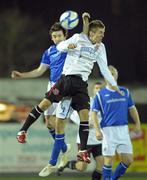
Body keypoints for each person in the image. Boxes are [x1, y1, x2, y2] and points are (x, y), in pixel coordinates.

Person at [17, 14, 120, 172]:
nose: (102, 35)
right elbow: (60, 47)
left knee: (84, 115)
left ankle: (82, 151)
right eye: (100, 32)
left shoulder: (101, 47)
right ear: (91, 33)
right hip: (65, 81)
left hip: (81, 85)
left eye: (103, 32)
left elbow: (104, 69)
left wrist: (114, 86)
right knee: (44, 106)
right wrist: (67, 46)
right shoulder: (78, 38)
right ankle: (23, 130)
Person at [11, 22, 68, 140]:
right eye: (55, 36)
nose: (57, 38)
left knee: (58, 122)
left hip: (64, 87)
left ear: (65, 36)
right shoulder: (49, 52)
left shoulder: (70, 48)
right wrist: (21, 75)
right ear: (52, 38)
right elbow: (39, 71)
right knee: (48, 123)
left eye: (60, 36)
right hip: (52, 85)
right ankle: (63, 147)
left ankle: (62, 148)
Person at [91, 65, 141, 180]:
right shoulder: (100, 94)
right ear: (105, 77)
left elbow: (132, 109)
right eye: (108, 74)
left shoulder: (125, 92)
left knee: (128, 160)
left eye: (113, 74)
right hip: (108, 131)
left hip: (123, 130)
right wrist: (98, 130)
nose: (111, 76)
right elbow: (93, 113)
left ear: (116, 76)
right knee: (108, 160)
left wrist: (137, 124)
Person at [57, 82, 104, 180]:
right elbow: (73, 115)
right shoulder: (88, 101)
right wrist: (85, 123)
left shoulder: (104, 104)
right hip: (84, 140)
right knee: (82, 167)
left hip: (97, 139)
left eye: (100, 88)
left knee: (101, 164)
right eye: (96, 88)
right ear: (93, 90)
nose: (98, 90)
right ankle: (67, 164)